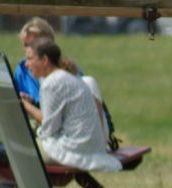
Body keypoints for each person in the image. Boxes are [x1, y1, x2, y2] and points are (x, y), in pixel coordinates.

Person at [19, 38, 121, 172]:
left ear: (45, 60)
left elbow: (49, 129)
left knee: (19, 149)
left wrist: (25, 105)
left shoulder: (51, 83)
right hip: (92, 150)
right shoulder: (69, 78)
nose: (26, 64)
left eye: (30, 59)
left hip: (74, 152)